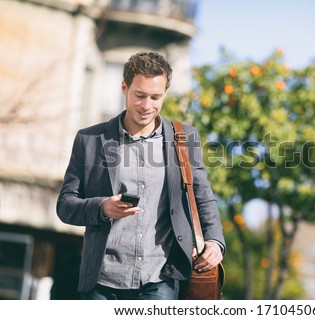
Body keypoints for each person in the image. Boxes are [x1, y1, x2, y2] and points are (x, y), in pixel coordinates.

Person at [56, 51, 225, 300]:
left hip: (161, 279)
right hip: (101, 282)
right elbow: (65, 206)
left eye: (156, 97)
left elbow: (203, 197)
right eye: (140, 95)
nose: (147, 106)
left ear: (165, 94)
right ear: (124, 88)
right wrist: (102, 208)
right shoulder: (89, 140)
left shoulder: (184, 139)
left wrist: (214, 240)